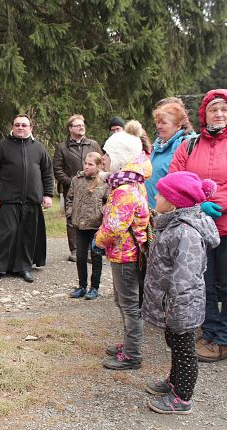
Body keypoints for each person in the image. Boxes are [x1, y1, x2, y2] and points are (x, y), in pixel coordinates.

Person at [168, 89, 227, 362]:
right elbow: (176, 179)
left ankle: (224, 339)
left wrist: (213, 202)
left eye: (223, 109)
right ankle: (208, 331)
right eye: (212, 109)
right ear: (203, 113)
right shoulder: (189, 145)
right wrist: (198, 206)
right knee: (202, 283)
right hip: (196, 229)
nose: (218, 114)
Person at [142, 171, 220, 415]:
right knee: (175, 345)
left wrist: (177, 308)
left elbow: (186, 277)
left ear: (175, 202)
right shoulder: (171, 225)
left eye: (161, 194)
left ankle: (182, 398)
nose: (156, 195)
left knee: (185, 350)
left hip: (180, 305)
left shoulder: (185, 232)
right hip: (171, 304)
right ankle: (174, 383)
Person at [94, 131, 151, 370]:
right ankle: (129, 344)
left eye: (107, 154)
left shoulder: (124, 191)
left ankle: (132, 354)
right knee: (123, 301)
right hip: (123, 254)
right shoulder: (128, 184)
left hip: (126, 256)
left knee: (128, 304)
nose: (103, 159)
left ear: (120, 158)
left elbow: (114, 227)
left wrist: (97, 241)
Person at [0, 114, 54, 285]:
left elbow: (47, 172)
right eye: (17, 125)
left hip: (32, 200)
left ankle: (24, 267)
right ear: (13, 127)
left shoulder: (39, 148)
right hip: (9, 199)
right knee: (3, 234)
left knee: (27, 235)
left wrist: (48, 195)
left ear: (30, 128)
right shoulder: (2, 147)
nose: (20, 128)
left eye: (24, 125)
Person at [53, 114, 101, 262]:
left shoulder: (93, 144)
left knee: (93, 216)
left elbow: (101, 163)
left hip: (93, 187)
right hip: (71, 188)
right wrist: (71, 182)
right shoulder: (62, 147)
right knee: (72, 217)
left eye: (83, 125)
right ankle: (75, 250)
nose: (82, 127)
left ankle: (91, 249)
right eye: (78, 125)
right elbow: (57, 169)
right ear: (70, 128)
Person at [66, 152, 108, 300]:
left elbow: (108, 201)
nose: (86, 166)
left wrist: (103, 215)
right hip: (80, 224)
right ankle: (82, 286)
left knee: (96, 257)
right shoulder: (77, 180)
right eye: (86, 163)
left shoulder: (104, 181)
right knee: (81, 257)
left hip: (96, 226)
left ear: (98, 166)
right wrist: (70, 213)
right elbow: (69, 198)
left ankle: (94, 287)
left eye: (90, 164)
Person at [145, 100, 195, 209]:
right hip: (151, 209)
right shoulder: (158, 144)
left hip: (168, 211)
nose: (159, 126)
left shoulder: (184, 145)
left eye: (164, 123)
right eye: (157, 122)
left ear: (177, 126)